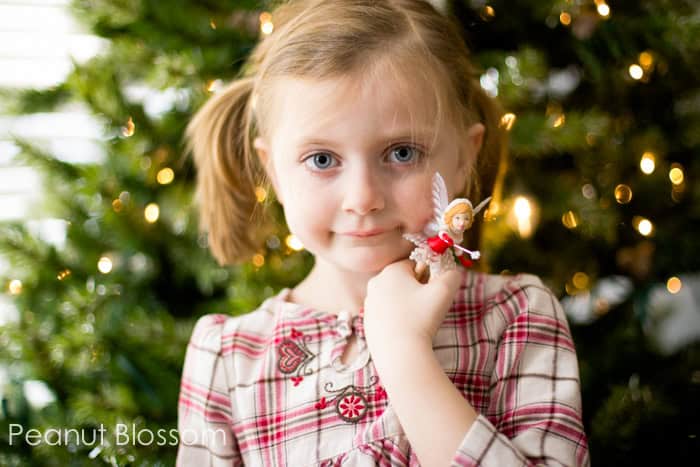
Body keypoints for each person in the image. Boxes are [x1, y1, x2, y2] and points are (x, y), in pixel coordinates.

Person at [176, 0, 590, 466]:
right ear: (273, 170)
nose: (363, 197)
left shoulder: (514, 316)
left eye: (402, 153)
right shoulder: (228, 357)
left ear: (463, 157)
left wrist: (404, 352)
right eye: (322, 159)